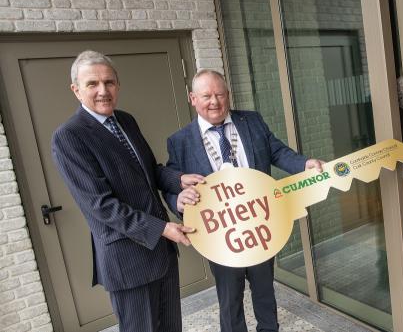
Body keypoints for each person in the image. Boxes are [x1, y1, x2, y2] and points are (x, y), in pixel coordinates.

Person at [51, 50, 203, 332]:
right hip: (128, 260)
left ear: (118, 85)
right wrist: (161, 228)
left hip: (162, 253)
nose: (103, 91)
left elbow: (148, 170)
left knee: (171, 327)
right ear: (76, 90)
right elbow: (101, 205)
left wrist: (179, 179)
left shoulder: (125, 120)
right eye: (92, 84)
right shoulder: (69, 136)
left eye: (109, 82)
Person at [164, 69, 323, 332]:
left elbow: (277, 152)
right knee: (229, 298)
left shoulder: (252, 121)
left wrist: (304, 163)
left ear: (228, 95)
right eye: (206, 96)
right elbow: (172, 183)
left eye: (220, 94)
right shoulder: (179, 141)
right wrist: (178, 201)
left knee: (264, 290)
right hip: (220, 234)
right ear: (192, 98)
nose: (214, 101)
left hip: (260, 225)